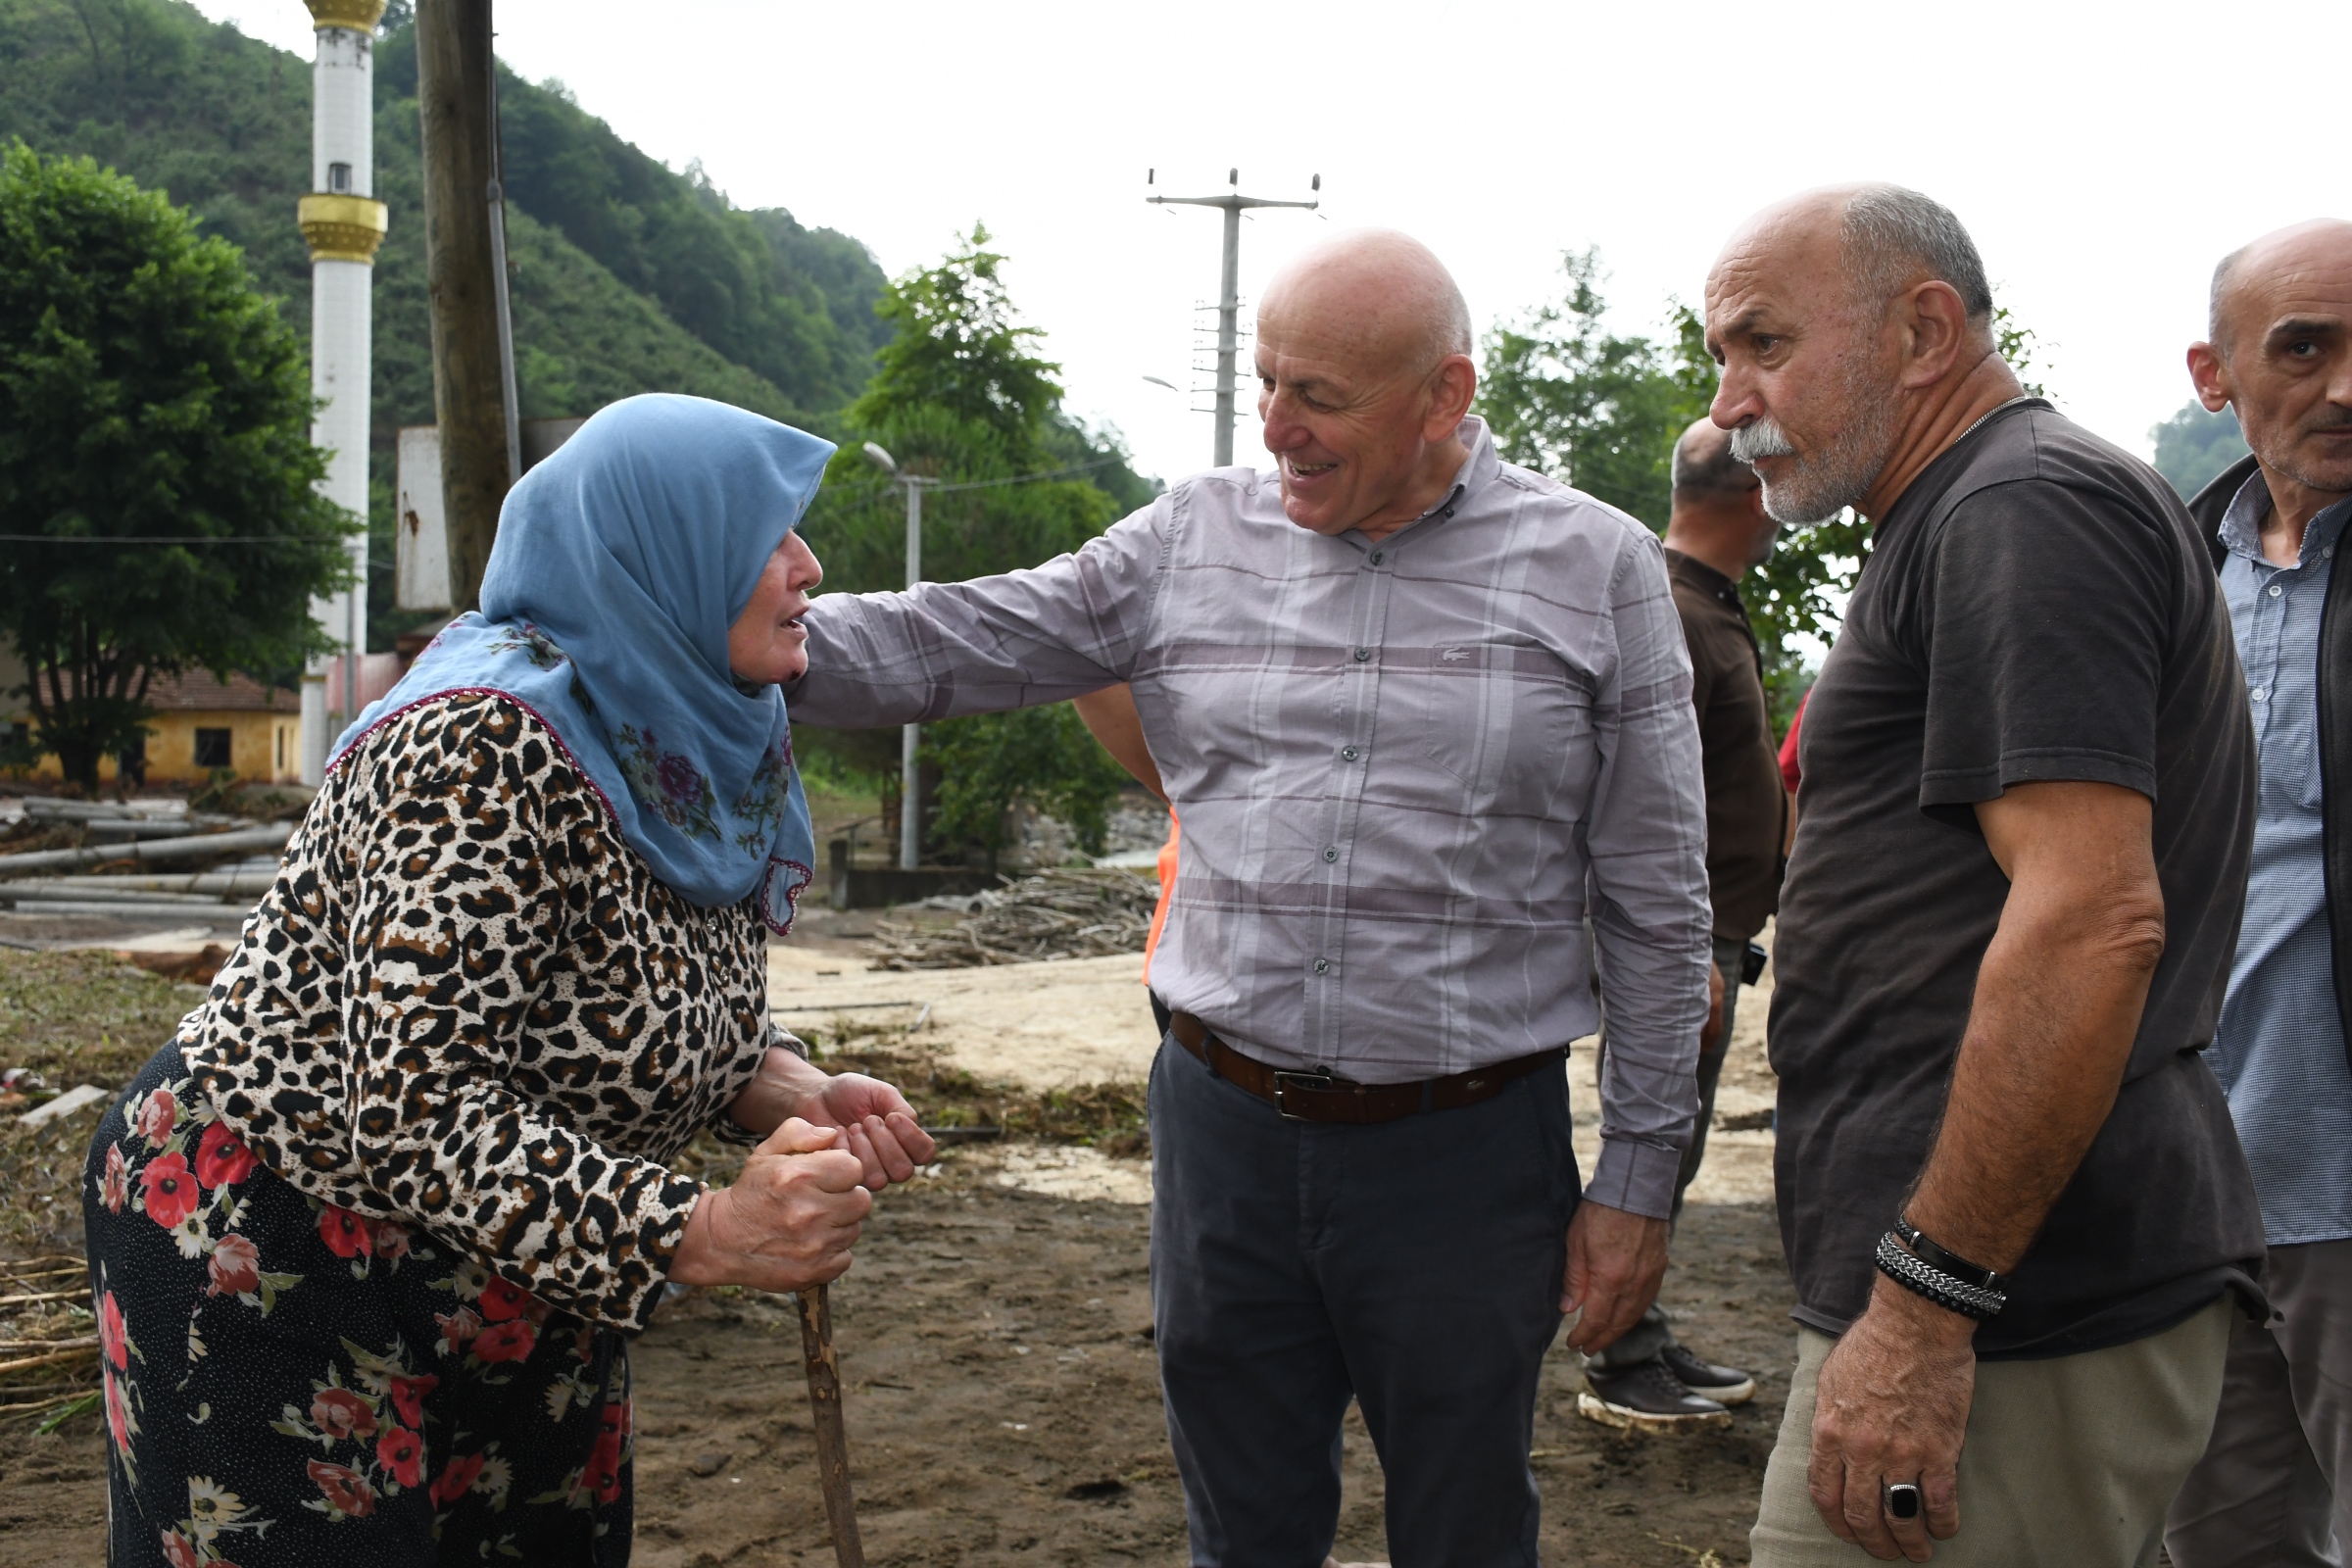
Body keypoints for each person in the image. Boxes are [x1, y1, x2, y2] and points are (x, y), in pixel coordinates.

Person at [788, 229, 1714, 1566]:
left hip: (1467, 1156)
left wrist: (1636, 1182)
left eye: (1319, 396)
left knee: (1467, 1528)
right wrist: (744, 641)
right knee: (1245, 1532)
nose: (1275, 424)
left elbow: (1656, 899)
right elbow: (963, 639)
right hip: (1224, 1132)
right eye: (1266, 380)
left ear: (1445, 398)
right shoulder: (1190, 536)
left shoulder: (1600, 569)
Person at [82, 395, 936, 1565]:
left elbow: (631, 992)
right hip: (279, 1234)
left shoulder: (683, 726)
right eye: (769, 538)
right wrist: (705, 1228)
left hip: (519, 1255)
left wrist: (782, 1084)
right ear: (664, 557)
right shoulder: (482, 747)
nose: (809, 565)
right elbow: (416, 1113)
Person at [1708, 186, 2264, 1566]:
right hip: (1993, 1301)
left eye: (1762, 344)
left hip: (2018, 1309)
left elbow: (2090, 919)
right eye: (1721, 355)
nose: (1729, 405)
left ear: (1923, 331)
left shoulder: (2022, 509)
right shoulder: (1966, 511)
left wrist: (1924, 1309)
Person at [2165, 219, 2352, 1568]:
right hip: (2187, 1190)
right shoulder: (2168, 576)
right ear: (2213, 374)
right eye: (2305, 347)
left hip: (2343, 1180)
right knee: (2212, 1539)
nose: (2345, 383)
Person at [1582, 417, 1788, 1425]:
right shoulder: (1668, 610)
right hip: (1682, 940)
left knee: (1680, 1140)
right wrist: (1675, 947)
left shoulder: (1703, 603)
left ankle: (1640, 1331)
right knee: (1654, 1141)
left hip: (1708, 934)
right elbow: (1637, 803)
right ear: (1753, 496)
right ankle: (1622, 1355)